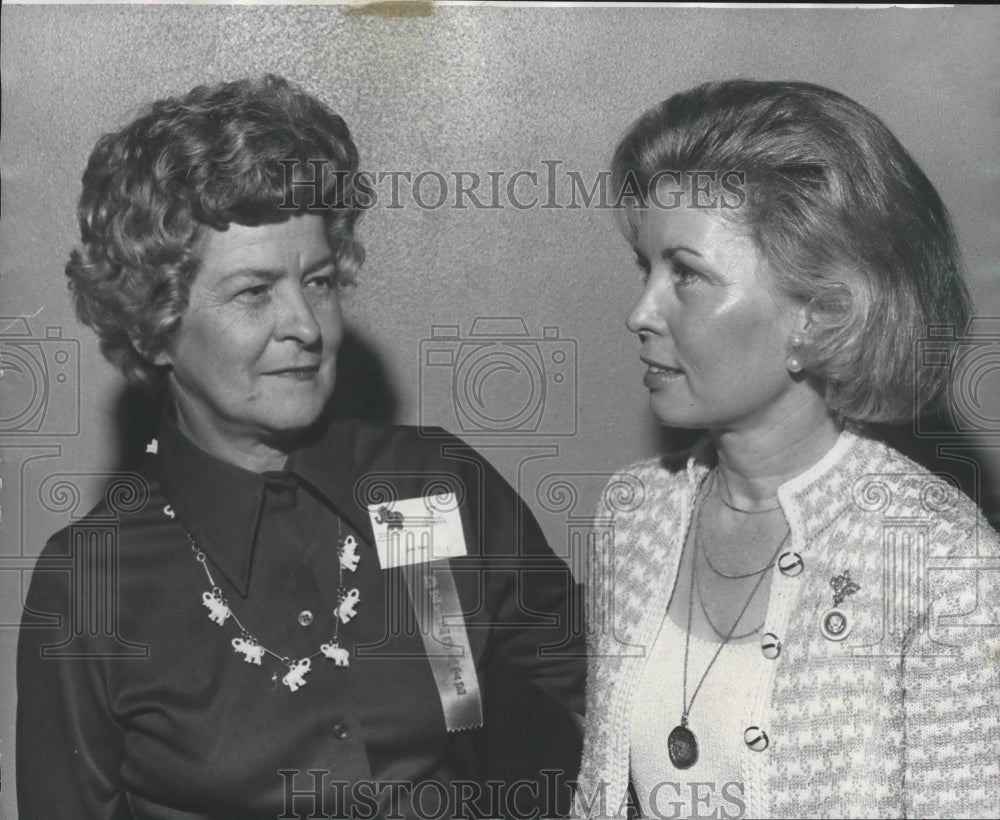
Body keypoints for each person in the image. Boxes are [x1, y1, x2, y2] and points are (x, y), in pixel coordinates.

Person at [16, 75, 584, 819]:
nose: (307, 328)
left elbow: (591, 706)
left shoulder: (423, 491)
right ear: (154, 325)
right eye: (255, 292)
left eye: (317, 282)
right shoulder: (93, 580)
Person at [577, 80, 1000, 819]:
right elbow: (600, 794)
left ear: (820, 313)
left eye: (688, 276)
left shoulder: (939, 558)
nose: (640, 312)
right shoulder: (633, 510)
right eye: (644, 270)